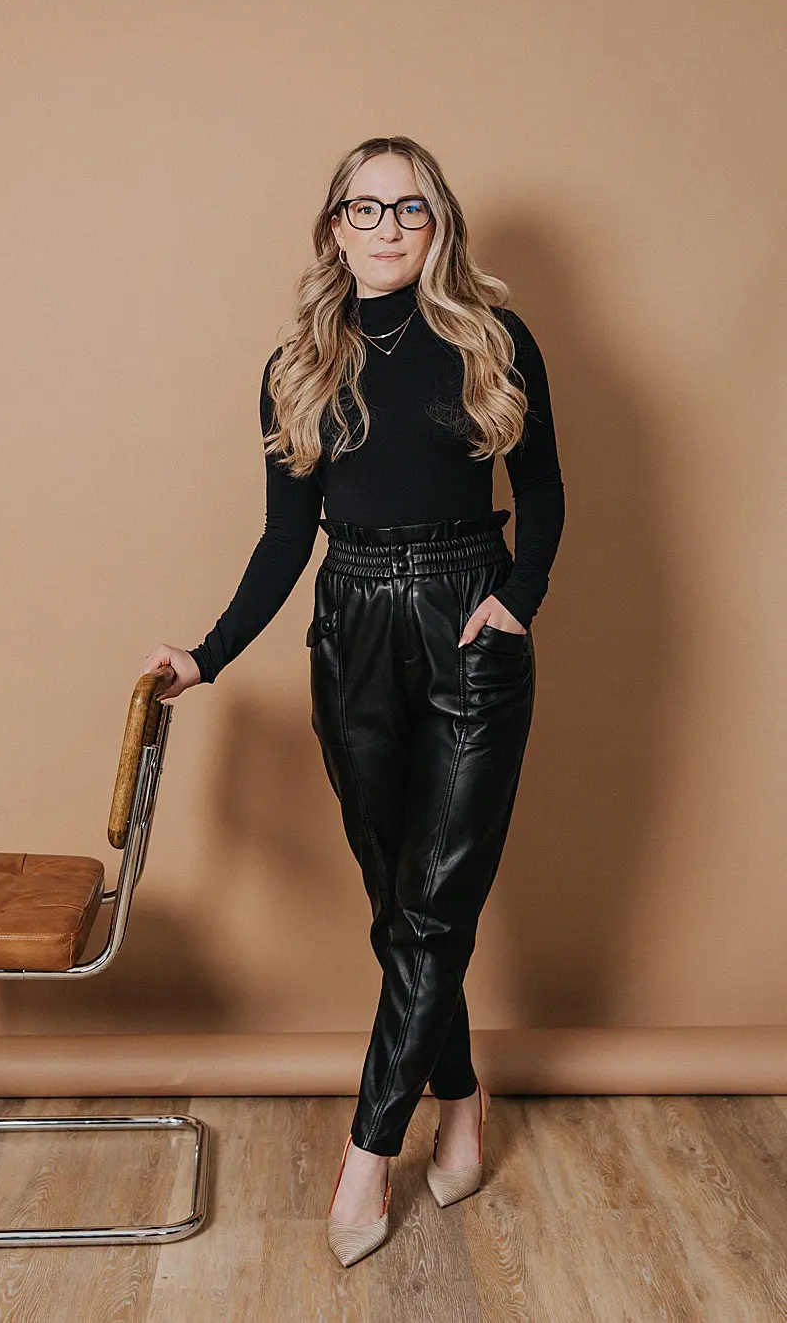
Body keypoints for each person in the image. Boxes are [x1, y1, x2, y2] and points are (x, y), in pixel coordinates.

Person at [144, 136, 563, 1267]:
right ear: (333, 227)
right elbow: (287, 539)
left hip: (468, 612)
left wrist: (515, 601)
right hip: (355, 623)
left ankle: (369, 1151)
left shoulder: (492, 339)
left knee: (434, 903)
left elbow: (546, 492)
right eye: (363, 208)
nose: (384, 228)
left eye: (409, 210)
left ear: (441, 227)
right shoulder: (299, 363)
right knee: (401, 899)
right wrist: (209, 653)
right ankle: (462, 1099)